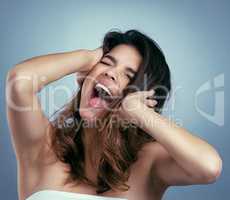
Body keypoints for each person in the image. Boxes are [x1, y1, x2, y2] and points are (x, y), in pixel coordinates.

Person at [6, 29, 222, 200]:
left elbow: (209, 167)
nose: (110, 72)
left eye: (129, 76)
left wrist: (139, 113)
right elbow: (19, 81)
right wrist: (88, 57)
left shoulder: (150, 164)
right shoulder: (43, 150)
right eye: (107, 63)